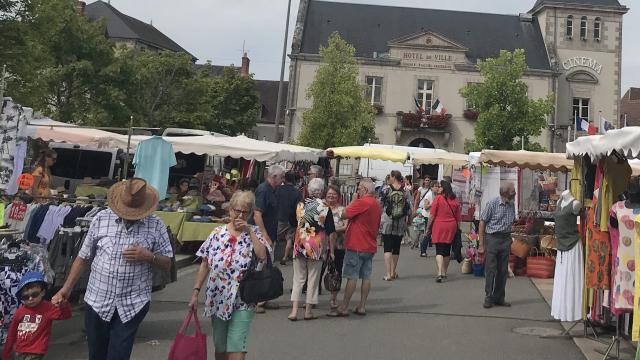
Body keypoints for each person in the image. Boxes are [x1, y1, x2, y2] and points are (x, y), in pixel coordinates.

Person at [52, 178, 173, 360]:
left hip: (133, 302)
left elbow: (167, 262)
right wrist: (66, 288)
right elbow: (83, 258)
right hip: (97, 300)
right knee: (96, 354)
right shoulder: (101, 219)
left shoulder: (156, 225)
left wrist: (148, 256)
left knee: (118, 355)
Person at [188, 191, 269, 360]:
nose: (239, 215)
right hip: (218, 296)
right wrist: (195, 292)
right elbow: (205, 263)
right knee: (220, 346)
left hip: (244, 297)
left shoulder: (254, 232)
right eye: (236, 210)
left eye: (244, 212)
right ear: (230, 210)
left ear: (250, 213)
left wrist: (250, 232)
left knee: (237, 346)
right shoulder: (217, 233)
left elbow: (262, 256)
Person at [328, 179, 382, 317]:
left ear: (364, 189)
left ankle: (344, 306)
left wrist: (353, 200)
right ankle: (362, 306)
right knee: (366, 276)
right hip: (369, 244)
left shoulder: (362, 202)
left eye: (358, 189)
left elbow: (343, 214)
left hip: (357, 244)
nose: (357, 191)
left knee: (351, 276)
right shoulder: (376, 203)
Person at [288, 178, 335, 321]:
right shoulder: (326, 207)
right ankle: (308, 311)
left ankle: (294, 311)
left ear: (308, 189)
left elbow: (292, 222)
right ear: (322, 191)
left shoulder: (300, 205)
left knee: (298, 279)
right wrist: (331, 251)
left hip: (300, 244)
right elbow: (330, 231)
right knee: (313, 279)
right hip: (316, 246)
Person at [3, 272, 71, 360]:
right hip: (19, 351)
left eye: (34, 294)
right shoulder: (20, 312)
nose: (30, 299)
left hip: (37, 350)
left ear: (42, 292)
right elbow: (12, 333)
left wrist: (63, 304)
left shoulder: (48, 308)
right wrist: (6, 353)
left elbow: (66, 315)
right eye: (26, 297)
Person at [251, 164, 285, 313]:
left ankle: (265, 298)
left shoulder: (273, 190)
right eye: (281, 177)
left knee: (268, 266)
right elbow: (257, 214)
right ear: (274, 177)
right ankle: (256, 300)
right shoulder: (263, 190)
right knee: (261, 266)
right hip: (261, 236)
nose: (283, 180)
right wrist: (264, 235)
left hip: (270, 233)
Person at [478, 182, 516, 309]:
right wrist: (481, 244)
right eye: (512, 192)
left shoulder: (512, 204)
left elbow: (511, 221)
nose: (514, 193)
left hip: (505, 239)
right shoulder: (492, 204)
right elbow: (482, 222)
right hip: (493, 238)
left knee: (503, 270)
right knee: (491, 269)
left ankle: (499, 297)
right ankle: (488, 297)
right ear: (505, 193)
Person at [380, 170, 413, 281]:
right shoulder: (405, 191)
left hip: (388, 221)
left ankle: (388, 274)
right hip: (400, 222)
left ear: (393, 177)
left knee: (387, 248)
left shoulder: (386, 189)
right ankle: (393, 272)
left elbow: (381, 205)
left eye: (390, 176)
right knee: (396, 248)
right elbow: (409, 208)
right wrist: (409, 221)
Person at [426, 181, 461, 283]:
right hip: (451, 226)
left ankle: (440, 272)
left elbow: (432, 215)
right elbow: (458, 218)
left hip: (439, 226)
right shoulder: (454, 200)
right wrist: (457, 229)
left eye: (440, 187)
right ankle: (444, 272)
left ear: (444, 188)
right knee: (447, 251)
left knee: (439, 251)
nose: (438, 188)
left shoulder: (438, 198)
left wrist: (428, 228)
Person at [325, 184, 347, 309]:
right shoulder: (321, 208)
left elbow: (346, 226)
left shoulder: (342, 210)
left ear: (338, 197)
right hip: (323, 246)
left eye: (334, 195)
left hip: (339, 246)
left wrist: (332, 230)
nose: (331, 197)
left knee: (336, 273)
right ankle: (313, 296)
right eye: (329, 195)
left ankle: (333, 298)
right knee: (319, 271)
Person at [277, 172, 302, 265]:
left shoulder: (279, 189)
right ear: (294, 180)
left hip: (280, 217)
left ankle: (272, 254)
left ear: (285, 179)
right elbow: (300, 207)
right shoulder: (297, 192)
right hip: (292, 219)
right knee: (289, 238)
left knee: (275, 237)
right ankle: (284, 257)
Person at [420, 181, 441, 257]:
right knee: (428, 233)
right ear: (431, 188)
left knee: (437, 234)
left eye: (438, 186)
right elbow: (425, 207)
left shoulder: (439, 195)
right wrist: (433, 204)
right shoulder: (428, 195)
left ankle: (439, 252)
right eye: (435, 186)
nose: (437, 188)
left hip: (436, 217)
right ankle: (423, 251)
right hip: (428, 216)